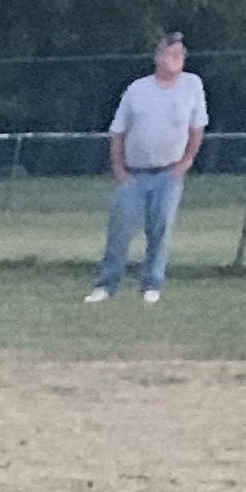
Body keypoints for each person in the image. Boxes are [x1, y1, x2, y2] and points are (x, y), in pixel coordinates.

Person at [90, 33, 208, 304]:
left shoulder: (192, 85)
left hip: (169, 173)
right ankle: (107, 284)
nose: (177, 59)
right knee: (120, 229)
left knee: (160, 229)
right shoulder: (137, 89)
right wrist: (119, 168)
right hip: (134, 173)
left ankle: (152, 284)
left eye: (181, 54)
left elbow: (197, 127)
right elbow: (118, 131)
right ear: (157, 57)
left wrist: (187, 160)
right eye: (171, 53)